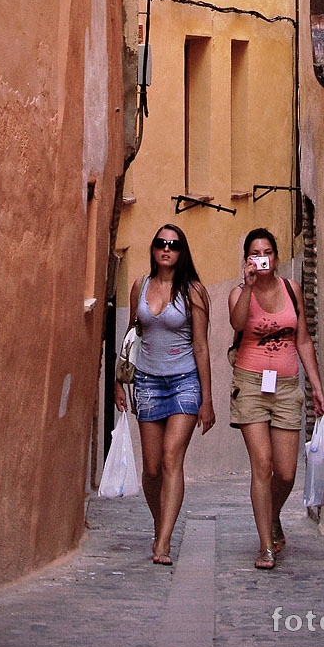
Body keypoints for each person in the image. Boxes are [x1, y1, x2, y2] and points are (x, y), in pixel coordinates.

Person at [115, 224, 215, 566]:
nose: (166, 249)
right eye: (161, 243)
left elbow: (201, 346)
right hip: (146, 382)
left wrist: (207, 399)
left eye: (173, 244)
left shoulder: (194, 292)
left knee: (173, 456)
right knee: (153, 468)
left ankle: (165, 540)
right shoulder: (140, 286)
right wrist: (119, 380)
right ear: (153, 249)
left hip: (184, 382)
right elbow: (132, 333)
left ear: (182, 251)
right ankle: (161, 524)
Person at [228, 227, 324, 570]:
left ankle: (272, 516)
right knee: (263, 465)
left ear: (276, 256)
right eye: (255, 253)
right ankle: (265, 545)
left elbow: (302, 340)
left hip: (286, 386)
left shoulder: (292, 289)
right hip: (251, 384)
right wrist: (249, 287)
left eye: (267, 252)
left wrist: (316, 386)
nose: (263, 258)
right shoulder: (239, 293)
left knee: (285, 473)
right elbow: (237, 322)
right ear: (247, 260)